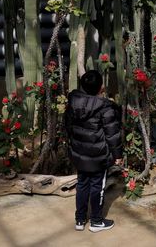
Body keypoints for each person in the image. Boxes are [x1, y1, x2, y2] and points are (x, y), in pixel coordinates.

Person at [64, 70, 123, 232]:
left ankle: (80, 220)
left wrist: (74, 145)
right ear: (100, 88)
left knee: (82, 184)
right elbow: (112, 134)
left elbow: (67, 126)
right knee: (97, 186)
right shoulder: (105, 107)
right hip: (98, 157)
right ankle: (96, 221)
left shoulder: (73, 101)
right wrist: (117, 155)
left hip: (79, 154)